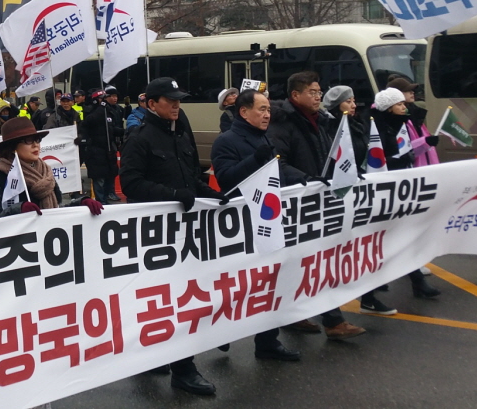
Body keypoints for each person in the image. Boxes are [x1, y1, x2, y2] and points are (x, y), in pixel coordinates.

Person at [120, 78, 223, 396]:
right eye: (170, 100)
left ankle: (158, 356)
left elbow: (191, 177)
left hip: (186, 232)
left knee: (179, 295)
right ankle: (183, 369)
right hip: (156, 235)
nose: (177, 105)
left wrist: (214, 195)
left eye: (179, 100)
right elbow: (131, 183)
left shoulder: (180, 133)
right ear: (152, 104)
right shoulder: (139, 138)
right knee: (169, 299)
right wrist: (173, 195)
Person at [267, 71, 367, 340]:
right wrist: (306, 180)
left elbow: (329, 155)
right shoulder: (282, 123)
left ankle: (297, 315)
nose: (317, 97)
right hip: (297, 201)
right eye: (312, 92)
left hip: (318, 199)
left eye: (319, 92)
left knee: (311, 261)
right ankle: (333, 321)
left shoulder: (320, 120)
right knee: (312, 261)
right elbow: (277, 163)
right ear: (295, 95)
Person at [210, 89, 302, 365]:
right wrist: (255, 159)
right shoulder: (226, 141)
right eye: (262, 109)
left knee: (269, 284)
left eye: (268, 110)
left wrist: (306, 178)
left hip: (268, 221)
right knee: (238, 286)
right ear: (243, 111)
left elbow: (278, 173)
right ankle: (219, 331)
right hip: (240, 227)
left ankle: (267, 341)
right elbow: (226, 180)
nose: (267, 115)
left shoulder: (265, 138)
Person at [358, 88, 441, 314]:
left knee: (401, 236)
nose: (405, 107)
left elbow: (405, 150)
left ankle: (415, 281)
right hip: (381, 191)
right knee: (380, 242)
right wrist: (397, 161)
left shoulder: (400, 124)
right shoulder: (375, 127)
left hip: (398, 188)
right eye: (400, 104)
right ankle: (369, 296)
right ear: (388, 108)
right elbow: (376, 159)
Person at [0, 117, 102, 216]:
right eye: (28, 140)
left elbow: (55, 212)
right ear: (12, 147)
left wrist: (81, 204)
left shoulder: (46, 175)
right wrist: (17, 210)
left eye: (37, 140)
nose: (36, 145)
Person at [83, 86, 125, 203]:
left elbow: (111, 128)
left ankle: (108, 197)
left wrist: (125, 131)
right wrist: (101, 109)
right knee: (99, 178)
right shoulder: (91, 110)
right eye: (102, 98)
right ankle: (101, 201)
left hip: (108, 149)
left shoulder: (109, 111)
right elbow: (89, 122)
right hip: (95, 151)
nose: (104, 100)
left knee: (109, 175)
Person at [388, 77, 439, 167]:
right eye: (407, 90)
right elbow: (403, 149)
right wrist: (425, 141)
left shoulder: (414, 113)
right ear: (397, 94)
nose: (412, 92)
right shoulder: (396, 120)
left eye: (412, 90)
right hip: (411, 169)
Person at [324, 86, 366, 168]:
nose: (354, 105)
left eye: (353, 101)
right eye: (348, 101)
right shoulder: (328, 128)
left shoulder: (356, 124)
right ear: (336, 105)